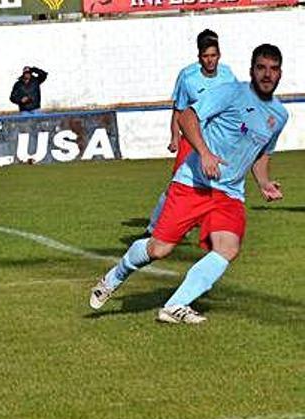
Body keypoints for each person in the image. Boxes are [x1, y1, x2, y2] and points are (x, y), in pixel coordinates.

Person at [90, 44, 287, 324]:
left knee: (227, 249)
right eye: (261, 67)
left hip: (229, 193)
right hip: (194, 183)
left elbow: (261, 153)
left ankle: (175, 305)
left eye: (273, 68)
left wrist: (264, 181)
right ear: (251, 70)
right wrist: (205, 153)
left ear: (280, 73)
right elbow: (187, 117)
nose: (267, 74)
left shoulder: (279, 116)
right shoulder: (232, 92)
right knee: (159, 249)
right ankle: (115, 276)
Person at [146, 29, 237, 234]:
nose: (210, 60)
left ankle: (203, 225)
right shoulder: (188, 76)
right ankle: (152, 228)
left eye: (213, 56)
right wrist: (174, 136)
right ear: (199, 57)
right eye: (205, 56)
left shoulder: (228, 75)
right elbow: (178, 110)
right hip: (192, 137)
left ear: (219, 55)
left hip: (216, 139)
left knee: (217, 185)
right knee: (177, 185)